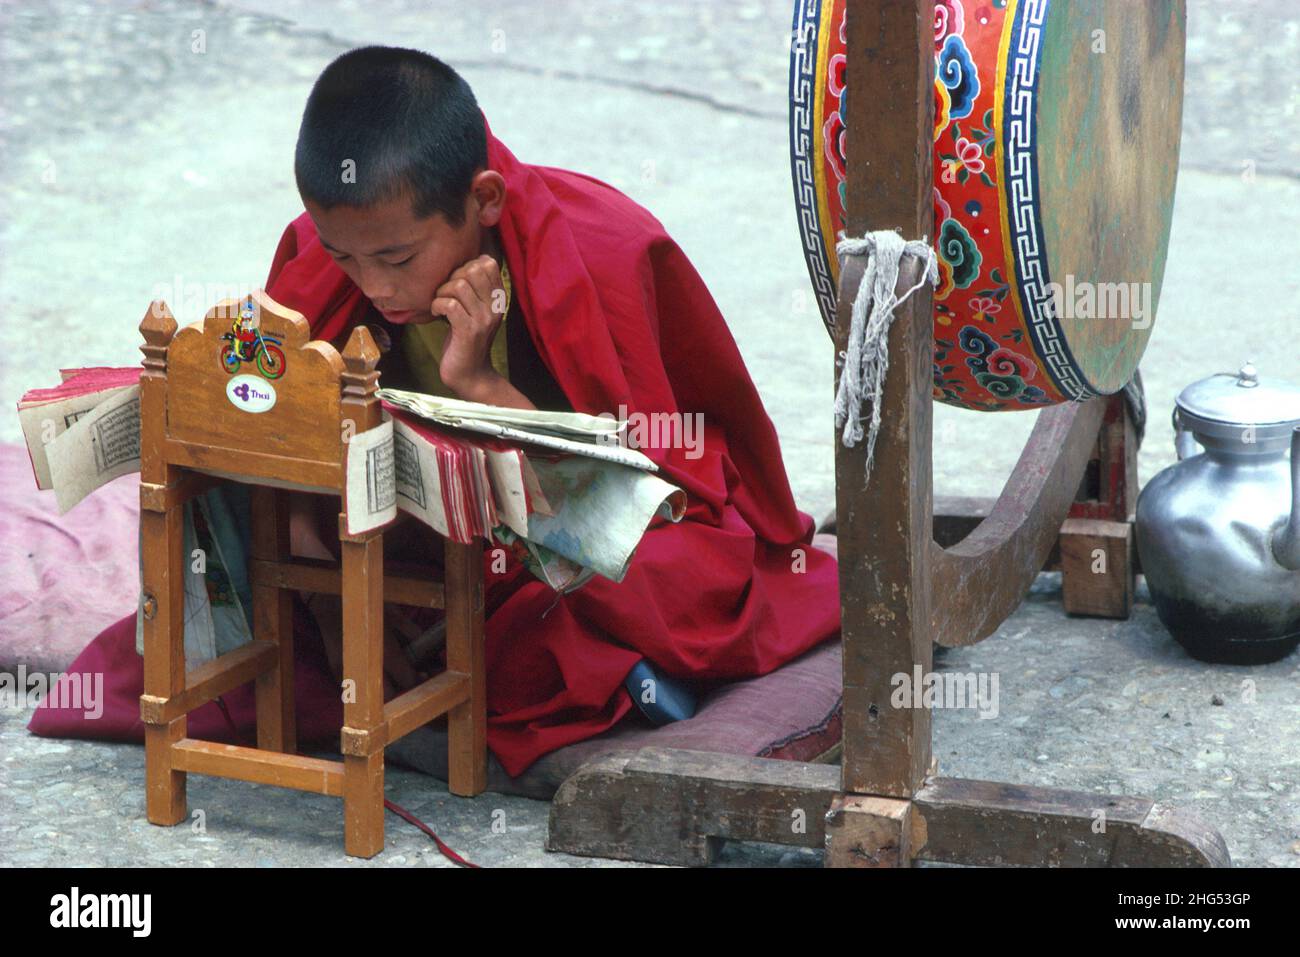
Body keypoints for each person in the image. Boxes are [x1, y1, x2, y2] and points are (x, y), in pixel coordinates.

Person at [31, 45, 841, 779]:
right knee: (238, 566)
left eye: (396, 259)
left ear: (483, 199)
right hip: (408, 535)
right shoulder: (324, 253)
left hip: (559, 536)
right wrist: (327, 600)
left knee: (667, 589)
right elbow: (282, 443)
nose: (374, 286)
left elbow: (649, 494)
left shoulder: (602, 250)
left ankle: (589, 671)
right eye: (346, 255)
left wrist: (482, 387)